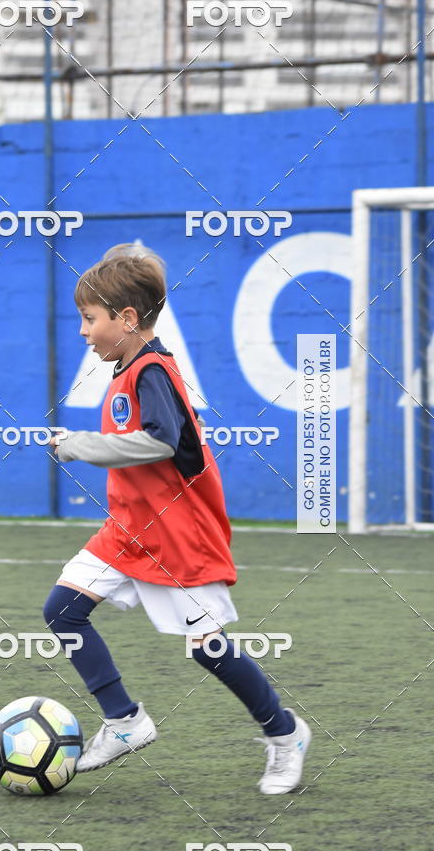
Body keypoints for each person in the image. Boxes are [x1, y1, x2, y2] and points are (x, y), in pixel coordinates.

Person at [44, 243, 311, 794]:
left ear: (127, 318)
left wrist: (80, 445)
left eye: (89, 319)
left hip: (176, 536)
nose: (83, 332)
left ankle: (285, 734)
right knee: (62, 611)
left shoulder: (151, 371)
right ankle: (124, 721)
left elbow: (160, 444)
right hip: (127, 530)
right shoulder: (130, 370)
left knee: (208, 649)